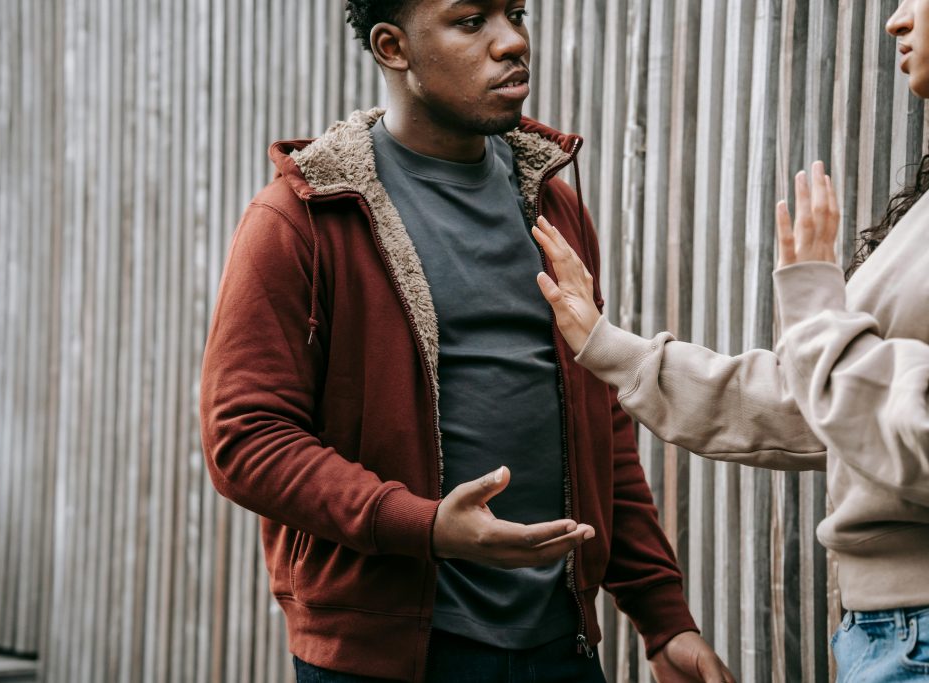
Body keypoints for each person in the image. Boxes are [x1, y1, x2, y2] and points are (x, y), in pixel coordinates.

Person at [199, 1, 734, 681]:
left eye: (515, 13)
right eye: (471, 21)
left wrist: (664, 619)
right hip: (385, 658)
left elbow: (599, 422)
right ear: (393, 47)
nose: (512, 42)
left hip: (559, 646)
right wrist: (422, 525)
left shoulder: (552, 206)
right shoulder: (304, 216)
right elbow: (245, 437)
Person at [533, 2, 929, 680]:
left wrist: (818, 313)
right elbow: (816, 412)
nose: (896, 19)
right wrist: (611, 348)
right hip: (887, 631)